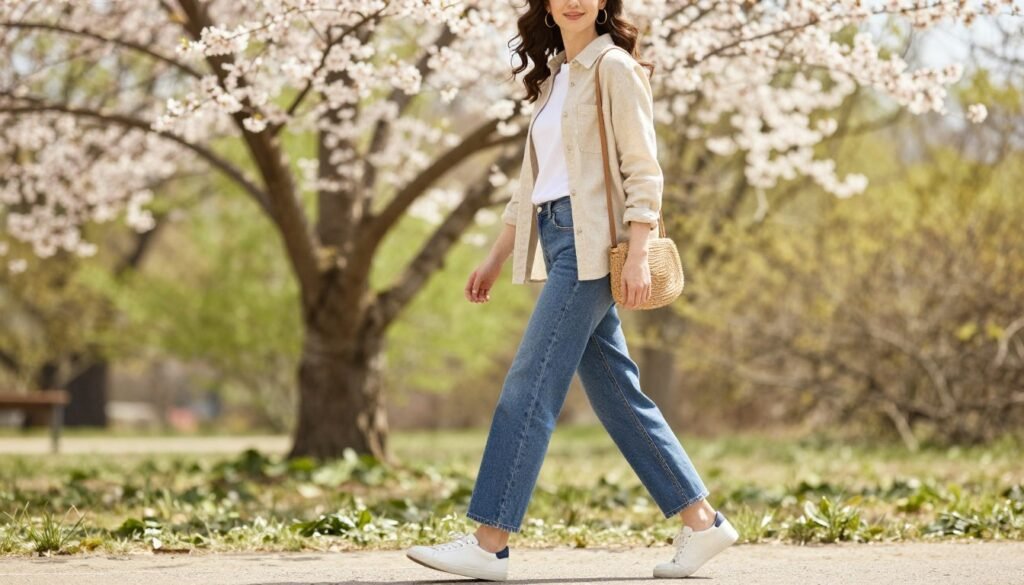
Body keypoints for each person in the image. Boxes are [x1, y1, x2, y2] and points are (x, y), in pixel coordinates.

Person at [406, 1, 739, 580]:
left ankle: (490, 542)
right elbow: (530, 185)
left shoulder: (614, 67)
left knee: (529, 384)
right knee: (616, 393)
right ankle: (703, 523)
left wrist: (636, 253)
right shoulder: (556, 78)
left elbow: (644, 169)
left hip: (593, 248)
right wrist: (492, 258)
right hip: (559, 238)